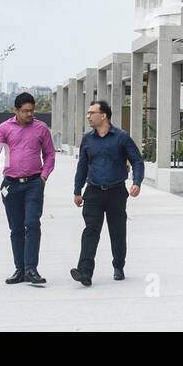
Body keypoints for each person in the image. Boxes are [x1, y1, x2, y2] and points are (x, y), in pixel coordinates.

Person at [0, 93, 55, 287]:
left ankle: (31, 269)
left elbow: (50, 155)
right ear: (16, 110)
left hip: (34, 183)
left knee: (32, 223)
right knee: (16, 228)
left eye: (32, 110)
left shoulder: (41, 128)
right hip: (11, 185)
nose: (30, 114)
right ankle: (20, 270)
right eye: (25, 111)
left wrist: (44, 177)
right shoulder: (5, 128)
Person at [70, 98, 143, 287]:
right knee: (90, 231)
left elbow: (137, 160)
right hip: (93, 192)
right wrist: (77, 190)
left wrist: (137, 182)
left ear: (103, 115)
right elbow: (82, 166)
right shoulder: (87, 139)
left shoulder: (121, 137)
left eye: (91, 113)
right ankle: (85, 272)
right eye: (87, 113)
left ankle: (118, 265)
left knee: (117, 231)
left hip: (116, 192)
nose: (88, 116)